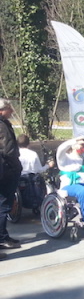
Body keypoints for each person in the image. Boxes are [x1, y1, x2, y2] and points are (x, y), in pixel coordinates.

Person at [56, 136, 84, 229]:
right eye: (82, 145)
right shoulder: (64, 158)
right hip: (70, 185)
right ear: (74, 145)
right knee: (83, 192)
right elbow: (60, 149)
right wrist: (76, 140)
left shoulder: (83, 159)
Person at [0, 98, 22, 250]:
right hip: (6, 170)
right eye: (10, 108)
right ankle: (1, 238)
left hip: (5, 168)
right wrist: (17, 167)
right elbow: (8, 150)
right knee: (3, 205)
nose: (12, 111)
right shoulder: (2, 126)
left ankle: (3, 235)